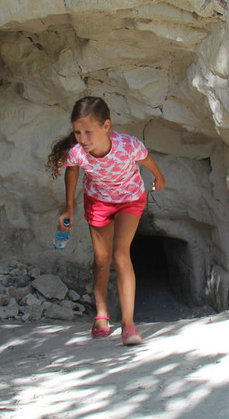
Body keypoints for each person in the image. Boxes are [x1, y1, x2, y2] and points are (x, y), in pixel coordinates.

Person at [47, 97, 165, 346]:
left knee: (121, 254)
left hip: (130, 199)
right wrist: (68, 207)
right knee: (101, 259)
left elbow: (146, 159)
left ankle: (128, 325)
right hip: (98, 202)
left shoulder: (128, 145)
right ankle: (102, 312)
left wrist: (158, 176)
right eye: (77, 132)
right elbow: (72, 170)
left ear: (106, 126)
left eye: (88, 132)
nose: (82, 138)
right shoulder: (78, 152)